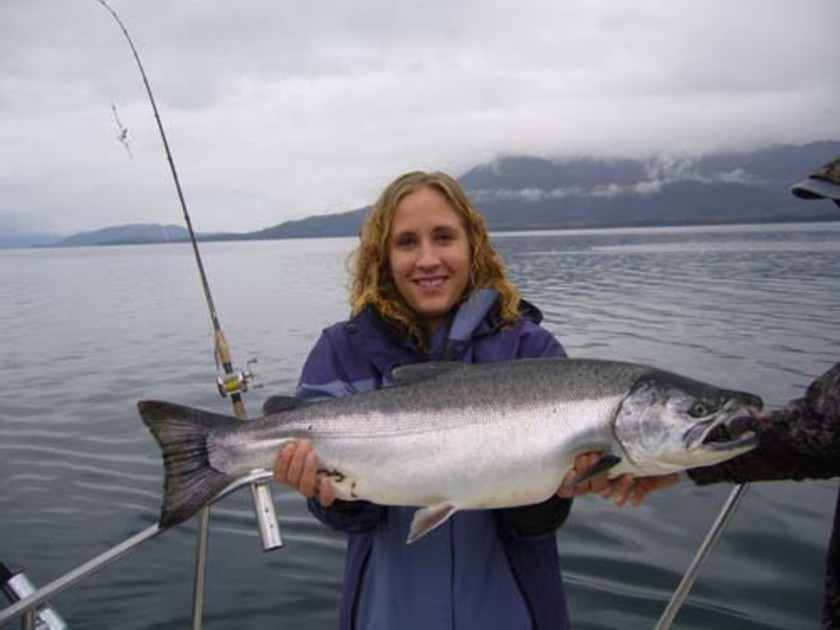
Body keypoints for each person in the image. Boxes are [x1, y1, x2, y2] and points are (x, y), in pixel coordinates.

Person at [273, 170, 577, 630]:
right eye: (407, 242)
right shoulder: (342, 350)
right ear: (383, 255)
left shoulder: (530, 349)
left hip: (514, 610)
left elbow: (537, 522)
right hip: (387, 611)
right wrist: (328, 492)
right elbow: (352, 520)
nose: (428, 259)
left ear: (473, 244)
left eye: (444, 237)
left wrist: (557, 483)